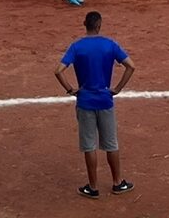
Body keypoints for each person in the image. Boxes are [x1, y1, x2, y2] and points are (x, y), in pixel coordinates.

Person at [55, 11, 135, 199]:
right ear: (99, 25)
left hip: (85, 101)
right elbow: (131, 66)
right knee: (111, 143)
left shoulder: (77, 47)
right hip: (105, 100)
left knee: (89, 145)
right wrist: (117, 89)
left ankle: (93, 186)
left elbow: (58, 71)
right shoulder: (109, 44)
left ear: (85, 24)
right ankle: (117, 183)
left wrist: (71, 90)